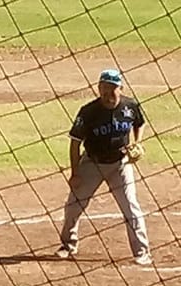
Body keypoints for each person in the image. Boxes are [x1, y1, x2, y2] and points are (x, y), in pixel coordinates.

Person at [57, 68, 151, 266]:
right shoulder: (88, 112)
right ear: (99, 88)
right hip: (92, 163)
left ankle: (142, 252)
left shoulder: (130, 106)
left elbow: (139, 123)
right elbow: (75, 143)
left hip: (120, 163)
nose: (108, 94)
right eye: (104, 89)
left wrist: (138, 142)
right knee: (74, 206)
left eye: (112, 89)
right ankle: (68, 245)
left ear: (120, 88)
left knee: (131, 207)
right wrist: (75, 173)